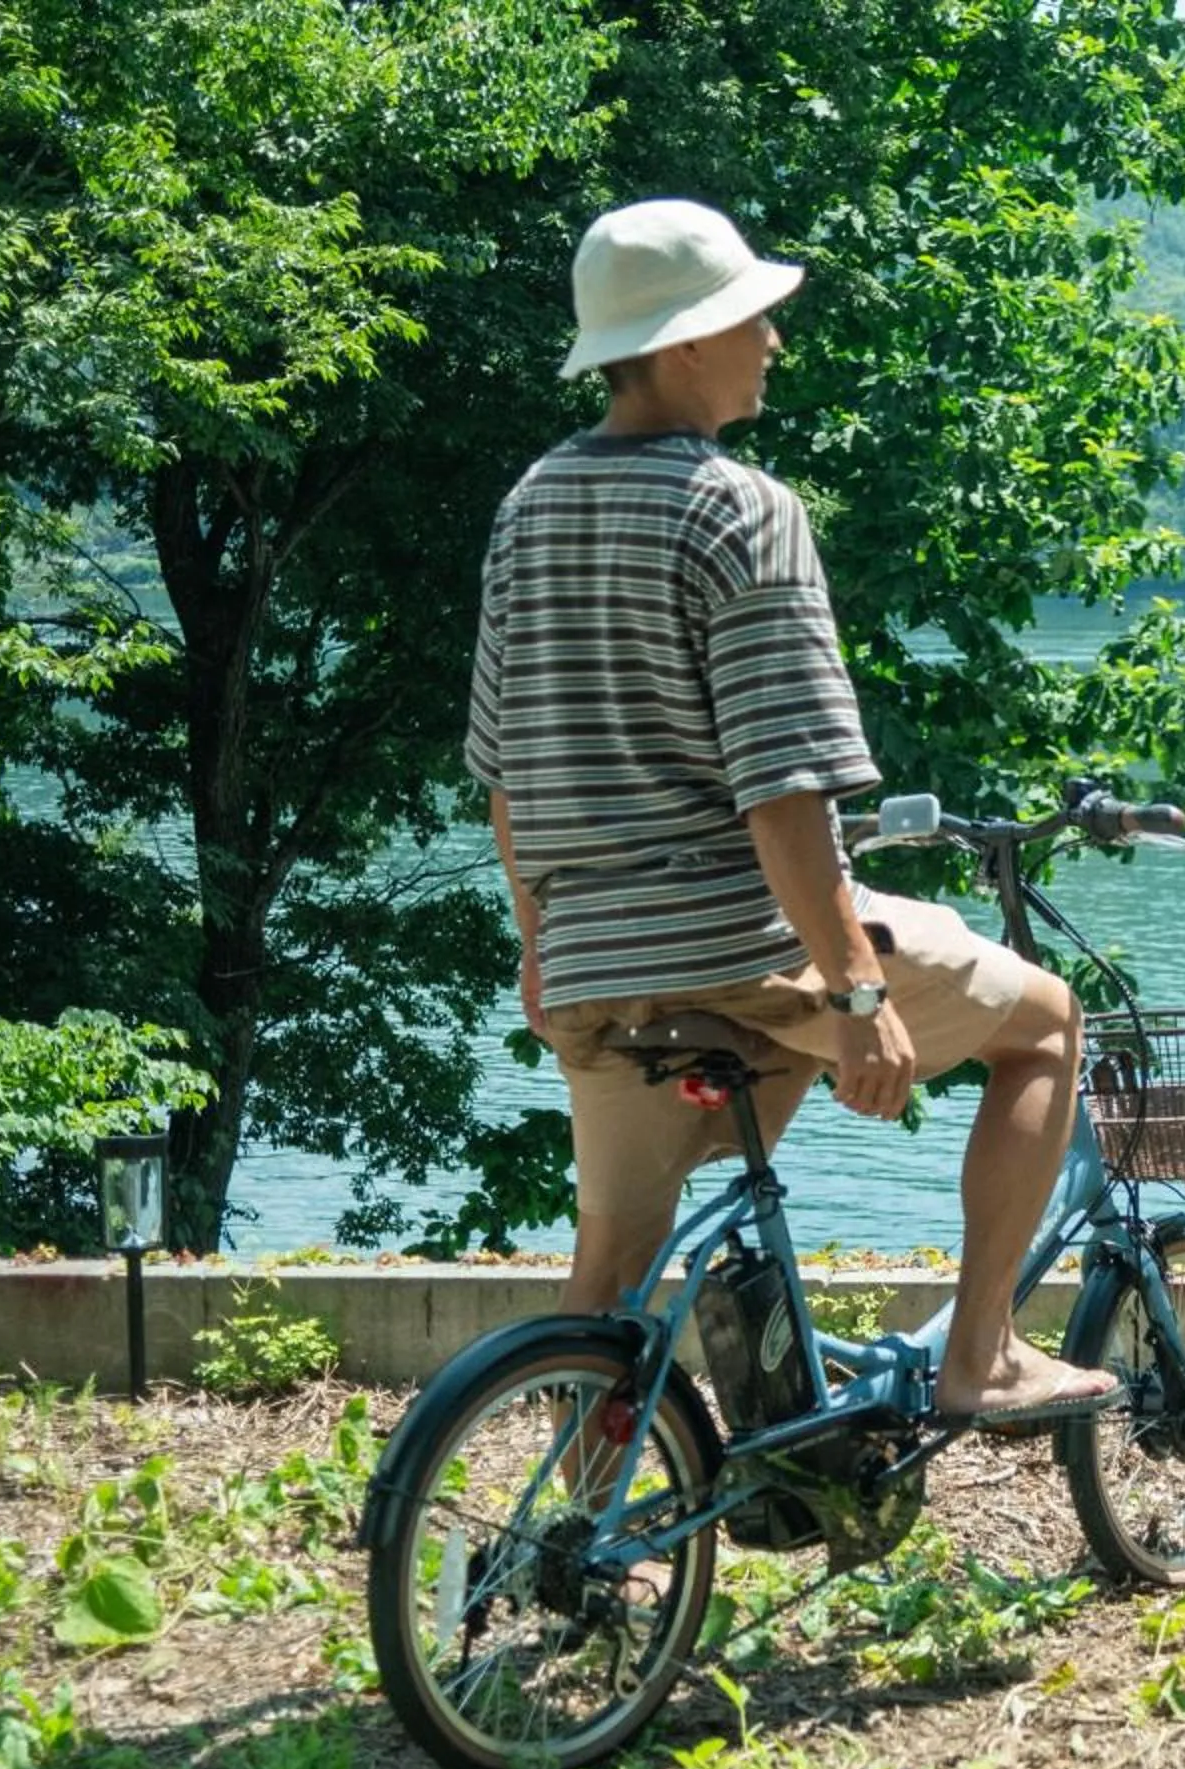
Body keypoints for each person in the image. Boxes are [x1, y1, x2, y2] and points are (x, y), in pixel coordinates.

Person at [464, 197, 1119, 1426]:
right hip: (747, 946)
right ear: (682, 343)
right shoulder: (742, 508)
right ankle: (983, 1352)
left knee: (609, 1270)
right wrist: (857, 993)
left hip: (598, 959)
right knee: (1043, 1024)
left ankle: (587, 1559)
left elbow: (506, 769)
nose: (773, 336)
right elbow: (783, 791)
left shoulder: (528, 506)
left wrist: (539, 944)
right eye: (752, 314)